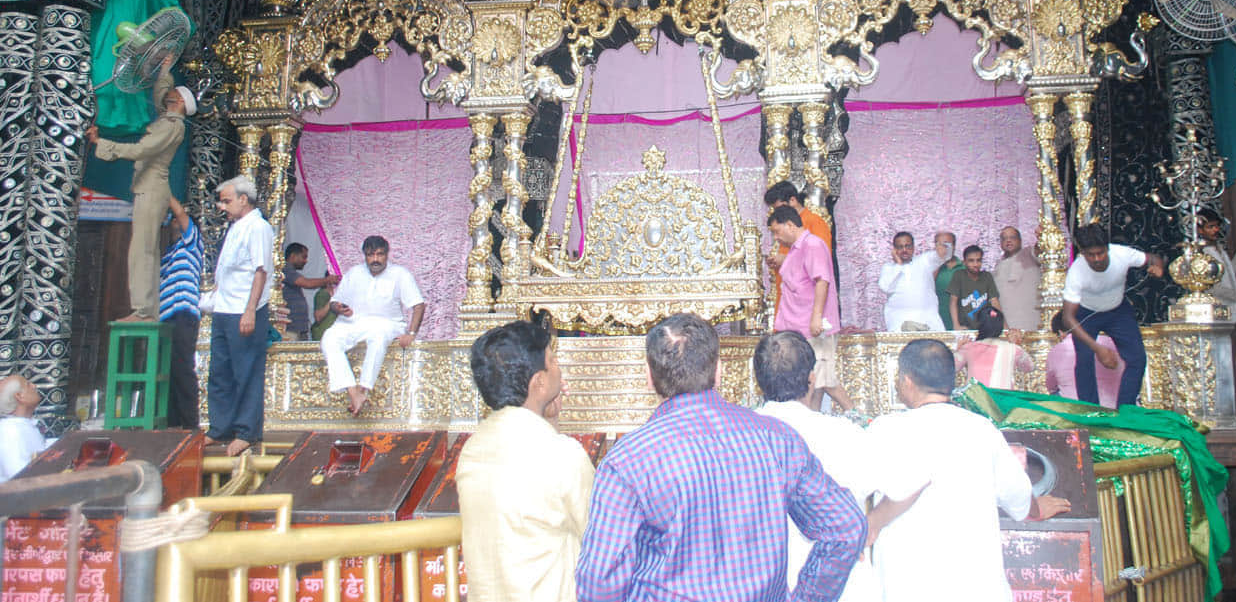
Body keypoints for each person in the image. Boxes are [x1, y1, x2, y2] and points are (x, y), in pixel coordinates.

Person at [576, 313, 866, 602]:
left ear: (648, 377)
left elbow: (599, 581)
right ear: (719, 372)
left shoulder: (628, 461)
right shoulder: (776, 439)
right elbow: (846, 527)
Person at [864, 340, 1070, 602]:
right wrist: (1036, 509)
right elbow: (1019, 495)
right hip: (975, 586)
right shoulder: (982, 429)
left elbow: (854, 489)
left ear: (906, 381)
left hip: (905, 585)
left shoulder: (885, 429)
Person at [456, 319, 594, 602]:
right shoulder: (562, 454)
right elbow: (600, 540)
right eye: (553, 360)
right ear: (539, 382)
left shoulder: (472, 450)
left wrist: (550, 420)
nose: (558, 367)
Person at [753, 332, 879, 602]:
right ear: (812, 377)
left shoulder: (739, 438)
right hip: (843, 584)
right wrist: (846, 403)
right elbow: (902, 483)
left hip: (763, 583)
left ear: (759, 380)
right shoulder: (845, 434)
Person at [86, 63, 196, 321]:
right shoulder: (167, 119)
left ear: (179, 102)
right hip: (149, 187)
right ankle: (146, 309)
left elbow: (140, 150)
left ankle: (143, 310)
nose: (168, 94)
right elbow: (162, 92)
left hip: (152, 188)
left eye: (174, 93)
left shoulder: (172, 126)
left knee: (142, 250)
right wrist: (165, 68)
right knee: (145, 248)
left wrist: (101, 143)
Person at [1059, 223, 1164, 409]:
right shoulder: (1076, 272)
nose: (1097, 259)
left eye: (1101, 253)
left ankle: (1126, 409)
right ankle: (1091, 412)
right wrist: (1097, 348)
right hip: (1087, 312)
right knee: (1084, 361)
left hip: (1118, 310)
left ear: (1107, 248)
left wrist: (1158, 268)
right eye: (1091, 255)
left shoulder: (1121, 254)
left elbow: (1154, 259)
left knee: (1137, 358)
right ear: (1083, 253)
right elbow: (1068, 318)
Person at [207, 174, 274, 457]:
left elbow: (261, 271)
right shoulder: (237, 227)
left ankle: (247, 431)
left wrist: (250, 310)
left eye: (227, 201)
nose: (223, 207)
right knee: (220, 371)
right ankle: (220, 427)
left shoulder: (258, 227)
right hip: (224, 308)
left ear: (244, 199)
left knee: (246, 371)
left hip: (246, 311)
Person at [320, 235, 424, 416]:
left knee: (378, 334)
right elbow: (334, 302)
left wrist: (411, 333)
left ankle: (364, 388)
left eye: (379, 254)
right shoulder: (354, 273)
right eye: (370, 255)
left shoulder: (400, 274)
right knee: (329, 338)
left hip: (388, 323)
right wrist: (338, 308)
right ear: (364, 256)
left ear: (387, 254)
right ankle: (352, 390)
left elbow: (418, 305)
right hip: (353, 322)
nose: (375, 259)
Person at [767, 205, 854, 412]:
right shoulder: (796, 249)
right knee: (815, 382)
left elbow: (821, 281)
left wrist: (816, 318)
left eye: (777, 231)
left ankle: (858, 416)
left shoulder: (813, 245)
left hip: (814, 326)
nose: (776, 238)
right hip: (800, 326)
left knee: (825, 379)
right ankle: (813, 418)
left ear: (790, 225)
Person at [159, 196, 204, 430]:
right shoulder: (168, 253)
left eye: (176, 219)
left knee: (182, 367)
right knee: (169, 371)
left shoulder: (192, 243)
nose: (173, 222)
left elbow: (182, 216)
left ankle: (189, 425)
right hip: (166, 317)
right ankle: (172, 424)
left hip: (183, 313)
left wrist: (165, 192)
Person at [763, 181, 832, 317]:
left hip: (807, 306)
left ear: (793, 200)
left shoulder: (815, 222)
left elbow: (821, 264)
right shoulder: (785, 226)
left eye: (779, 208)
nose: (778, 213)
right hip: (788, 301)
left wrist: (785, 259)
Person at [1045, 311, 1123, 407]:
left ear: (1061, 332)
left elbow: (1051, 385)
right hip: (1120, 405)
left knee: (1054, 395)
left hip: (1076, 408)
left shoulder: (1057, 350)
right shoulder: (1111, 342)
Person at [877, 231, 943, 332]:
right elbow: (885, 287)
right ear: (894, 250)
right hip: (899, 322)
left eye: (908, 246)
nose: (904, 250)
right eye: (900, 247)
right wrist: (898, 265)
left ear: (913, 247)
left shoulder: (924, 261)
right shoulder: (888, 268)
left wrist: (944, 243)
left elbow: (945, 255)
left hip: (927, 320)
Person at [954, 309, 1032, 389]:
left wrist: (958, 349)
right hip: (1002, 400)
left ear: (979, 325)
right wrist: (1018, 345)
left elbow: (952, 368)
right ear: (1001, 327)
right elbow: (1029, 367)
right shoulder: (1013, 348)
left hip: (976, 399)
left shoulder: (969, 347)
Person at [282, 242, 339, 340]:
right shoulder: (285, 269)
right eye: (304, 257)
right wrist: (328, 280)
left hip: (298, 328)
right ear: (293, 256)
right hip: (291, 329)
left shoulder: (290, 271)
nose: (306, 261)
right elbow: (307, 283)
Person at [1197, 210, 1236, 321]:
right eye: (1210, 227)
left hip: (1231, 304)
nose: (1216, 230)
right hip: (1216, 307)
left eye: (1216, 226)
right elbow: (1210, 287)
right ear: (1200, 230)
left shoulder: (1218, 248)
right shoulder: (1202, 254)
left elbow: (1226, 273)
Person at [992, 226, 1041, 331]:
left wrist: (1042, 236)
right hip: (1008, 328)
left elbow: (1040, 248)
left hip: (1031, 324)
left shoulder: (1029, 253)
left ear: (1020, 240)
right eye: (1004, 238)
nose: (1008, 240)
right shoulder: (998, 265)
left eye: (1012, 237)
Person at [0, 375, 47, 483]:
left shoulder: (22, 425)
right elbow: (18, 476)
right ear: (19, 396)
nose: (34, 386)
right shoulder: (9, 430)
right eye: (28, 385)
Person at [946, 245, 999, 330]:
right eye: (971, 261)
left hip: (985, 327)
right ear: (964, 262)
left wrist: (1000, 324)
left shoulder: (987, 276)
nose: (975, 264)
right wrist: (956, 325)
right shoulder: (959, 275)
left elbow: (994, 301)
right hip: (966, 327)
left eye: (978, 260)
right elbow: (953, 301)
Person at [931, 231, 962, 330]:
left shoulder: (964, 267)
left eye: (947, 244)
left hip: (959, 323)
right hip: (935, 323)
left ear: (954, 246)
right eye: (940, 244)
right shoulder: (928, 268)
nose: (944, 248)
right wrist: (938, 263)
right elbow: (925, 288)